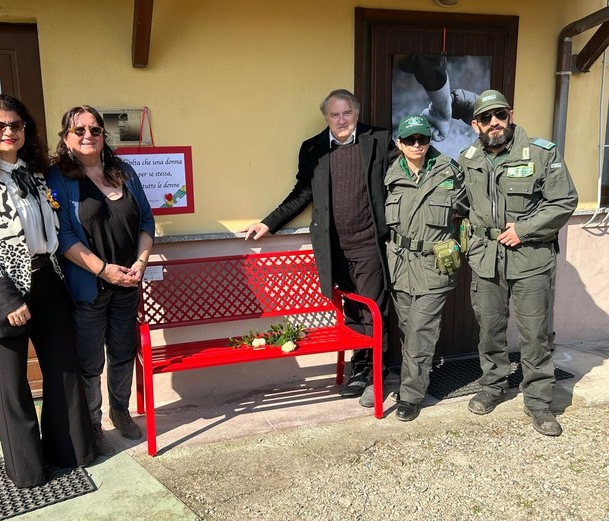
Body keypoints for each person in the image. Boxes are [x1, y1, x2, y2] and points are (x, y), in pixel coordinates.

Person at [0, 94, 95, 488]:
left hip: (47, 278)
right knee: (11, 387)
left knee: (64, 371)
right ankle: (28, 471)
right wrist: (8, 299)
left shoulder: (33, 171)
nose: (9, 132)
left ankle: (70, 453)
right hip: (4, 289)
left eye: (16, 125)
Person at [243, 89, 396, 406]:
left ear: (357, 113)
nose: (341, 120)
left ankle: (377, 377)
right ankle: (361, 370)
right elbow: (302, 193)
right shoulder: (313, 149)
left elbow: (403, 176)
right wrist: (268, 223)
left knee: (373, 309)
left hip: (369, 243)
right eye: (334, 115)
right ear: (326, 118)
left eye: (347, 113)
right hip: (335, 247)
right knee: (353, 310)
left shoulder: (378, 139)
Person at [458, 90, 578, 436]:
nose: (494, 123)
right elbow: (459, 200)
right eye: (485, 118)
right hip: (486, 258)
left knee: (534, 334)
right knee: (490, 329)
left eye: (500, 115)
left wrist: (523, 230)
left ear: (510, 115)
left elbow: (564, 201)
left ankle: (539, 401)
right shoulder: (469, 158)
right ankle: (492, 385)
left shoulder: (542, 153)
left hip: (530, 259)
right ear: (475, 124)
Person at [47, 105, 155, 456]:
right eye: (79, 131)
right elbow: (61, 236)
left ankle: (119, 411)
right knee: (90, 360)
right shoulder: (58, 178)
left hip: (127, 283)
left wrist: (140, 263)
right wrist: (102, 269)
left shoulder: (123, 171)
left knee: (123, 353)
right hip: (88, 287)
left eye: (95, 130)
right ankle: (92, 422)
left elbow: (146, 223)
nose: (88, 136)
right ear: (66, 138)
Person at [383, 115, 468, 421]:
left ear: (430, 140)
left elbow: (472, 212)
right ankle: (414, 377)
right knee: (408, 330)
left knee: (420, 331)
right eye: (410, 140)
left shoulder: (450, 170)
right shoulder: (390, 175)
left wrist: (461, 245)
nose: (417, 145)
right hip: (400, 264)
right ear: (399, 144)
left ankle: (411, 395)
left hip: (435, 265)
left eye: (422, 139)